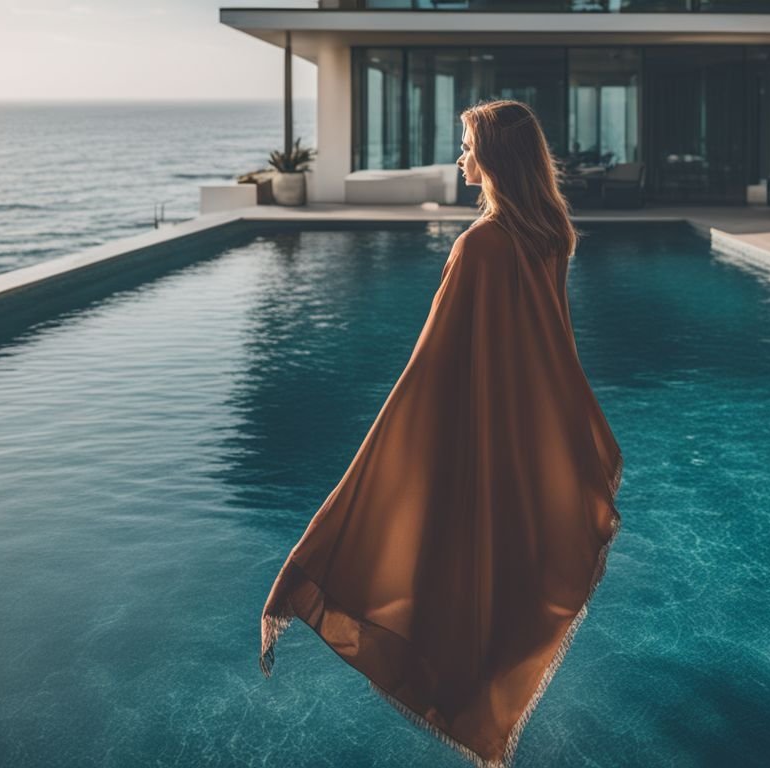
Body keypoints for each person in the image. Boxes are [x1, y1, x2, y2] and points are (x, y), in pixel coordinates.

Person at [259, 98, 624, 768]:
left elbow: (431, 367)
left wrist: (372, 475)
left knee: (451, 582)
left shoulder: (480, 246)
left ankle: (479, 727)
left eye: (467, 145)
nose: (461, 157)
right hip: (527, 441)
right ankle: (492, 732)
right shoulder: (552, 234)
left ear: (495, 158)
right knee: (507, 584)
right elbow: (555, 349)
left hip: (476, 441)